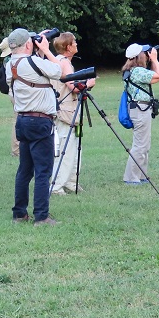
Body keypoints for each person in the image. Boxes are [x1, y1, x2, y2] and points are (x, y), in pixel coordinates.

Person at [5, 27, 64, 226]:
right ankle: (41, 216)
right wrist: (47, 50)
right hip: (40, 121)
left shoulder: (9, 64)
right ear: (29, 44)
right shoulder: (33, 61)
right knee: (43, 170)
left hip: (22, 120)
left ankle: (19, 214)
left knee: (24, 170)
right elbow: (58, 71)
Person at [50, 32, 95, 195]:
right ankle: (57, 186)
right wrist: (88, 83)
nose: (76, 44)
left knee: (73, 148)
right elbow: (74, 88)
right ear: (68, 47)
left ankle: (70, 182)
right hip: (66, 112)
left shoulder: (60, 61)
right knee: (66, 149)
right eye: (74, 42)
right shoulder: (64, 63)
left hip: (68, 111)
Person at [121, 44, 159, 184]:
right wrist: (155, 59)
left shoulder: (132, 71)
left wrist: (151, 60)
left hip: (139, 109)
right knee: (140, 145)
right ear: (140, 56)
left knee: (144, 144)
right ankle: (131, 177)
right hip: (140, 109)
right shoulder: (138, 71)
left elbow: (155, 78)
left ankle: (140, 175)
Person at [0, 36, 20, 157]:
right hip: (16, 92)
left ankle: (17, 148)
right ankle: (16, 150)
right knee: (18, 119)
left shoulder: (7, 60)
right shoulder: (11, 61)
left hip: (13, 91)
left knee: (18, 118)